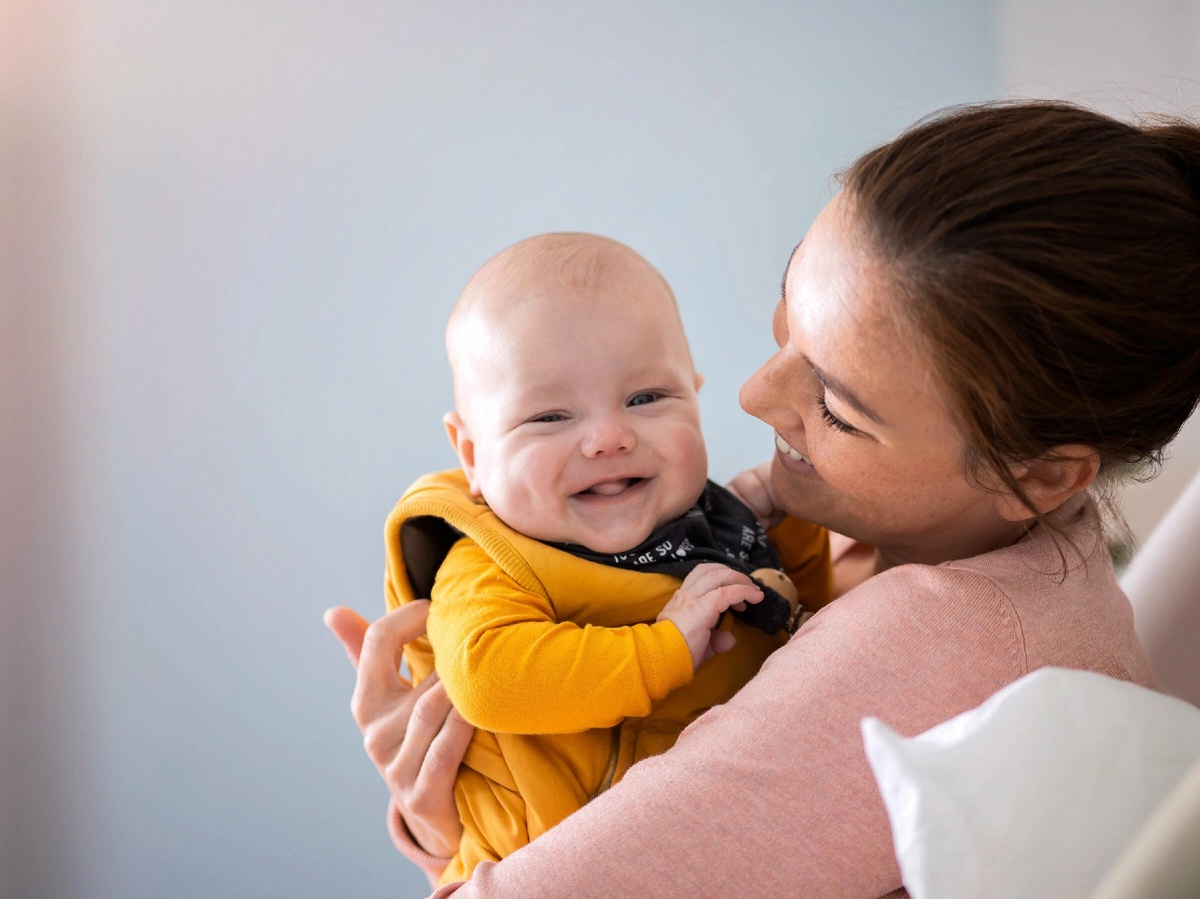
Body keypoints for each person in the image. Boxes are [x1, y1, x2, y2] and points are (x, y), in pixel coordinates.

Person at [326, 100, 1200, 897]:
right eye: (788, 320)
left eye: (835, 406)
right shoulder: (879, 537)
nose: (749, 395)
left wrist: (447, 846)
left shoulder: (931, 648)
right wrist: (446, 799)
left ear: (1045, 474)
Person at [375, 233, 830, 883]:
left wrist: (791, 535)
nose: (610, 437)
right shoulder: (492, 561)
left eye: (646, 398)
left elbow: (808, 632)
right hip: (541, 862)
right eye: (550, 416)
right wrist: (663, 645)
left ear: (694, 397)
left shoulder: (710, 524)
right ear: (471, 454)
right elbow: (489, 676)